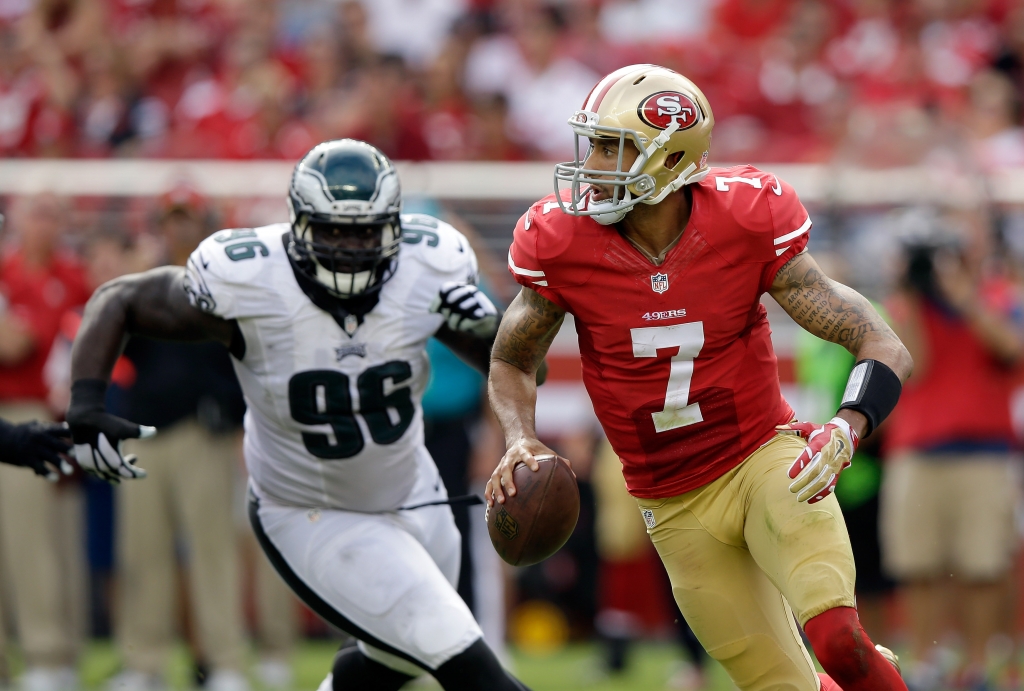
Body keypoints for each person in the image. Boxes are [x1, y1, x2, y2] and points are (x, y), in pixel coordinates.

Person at [485, 64, 913, 691]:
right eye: (595, 142)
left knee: (840, 642)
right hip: (671, 501)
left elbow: (880, 342)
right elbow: (512, 359)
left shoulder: (743, 218)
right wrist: (519, 435)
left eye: (612, 145)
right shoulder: (563, 241)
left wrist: (848, 427)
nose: (593, 161)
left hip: (765, 461)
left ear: (666, 157)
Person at [66, 139, 533, 691]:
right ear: (300, 225)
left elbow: (529, 371)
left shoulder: (426, 265)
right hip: (313, 510)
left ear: (393, 226)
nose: (350, 247)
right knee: (469, 665)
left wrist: (491, 332)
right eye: (334, 229)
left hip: (413, 492)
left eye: (364, 231)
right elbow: (119, 299)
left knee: (397, 661)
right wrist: (86, 406)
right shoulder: (250, 278)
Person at [105, 196, 250, 691]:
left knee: (213, 553)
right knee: (143, 553)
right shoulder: (142, 284)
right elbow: (118, 345)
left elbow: (244, 355)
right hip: (145, 429)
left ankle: (224, 662)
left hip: (200, 430)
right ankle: (144, 664)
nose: (178, 229)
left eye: (186, 218)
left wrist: (229, 412)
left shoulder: (225, 281)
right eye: (171, 220)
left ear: (204, 224)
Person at [880, 225, 1024, 689]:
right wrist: (912, 296)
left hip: (983, 452)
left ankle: (979, 664)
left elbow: (1009, 348)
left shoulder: (995, 300)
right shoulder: (907, 308)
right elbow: (912, 364)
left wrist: (963, 298)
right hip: (918, 452)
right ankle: (926, 663)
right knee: (918, 564)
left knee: (983, 565)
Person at [0, 193, 92, 691]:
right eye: (36, 213)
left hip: (36, 414)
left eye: (53, 213)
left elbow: (22, 341)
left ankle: (47, 653)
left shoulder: (70, 275)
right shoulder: (8, 270)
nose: (43, 224)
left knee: (39, 542)